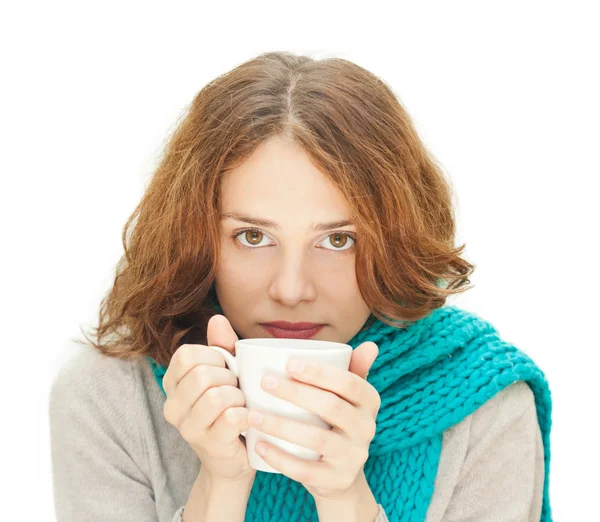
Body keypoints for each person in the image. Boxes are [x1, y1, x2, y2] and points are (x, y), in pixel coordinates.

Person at [49, 51, 552, 522]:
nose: (291, 290)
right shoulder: (111, 398)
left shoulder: (481, 402)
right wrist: (221, 485)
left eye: (337, 240)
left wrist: (344, 499)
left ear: (394, 240)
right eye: (252, 236)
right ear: (196, 238)